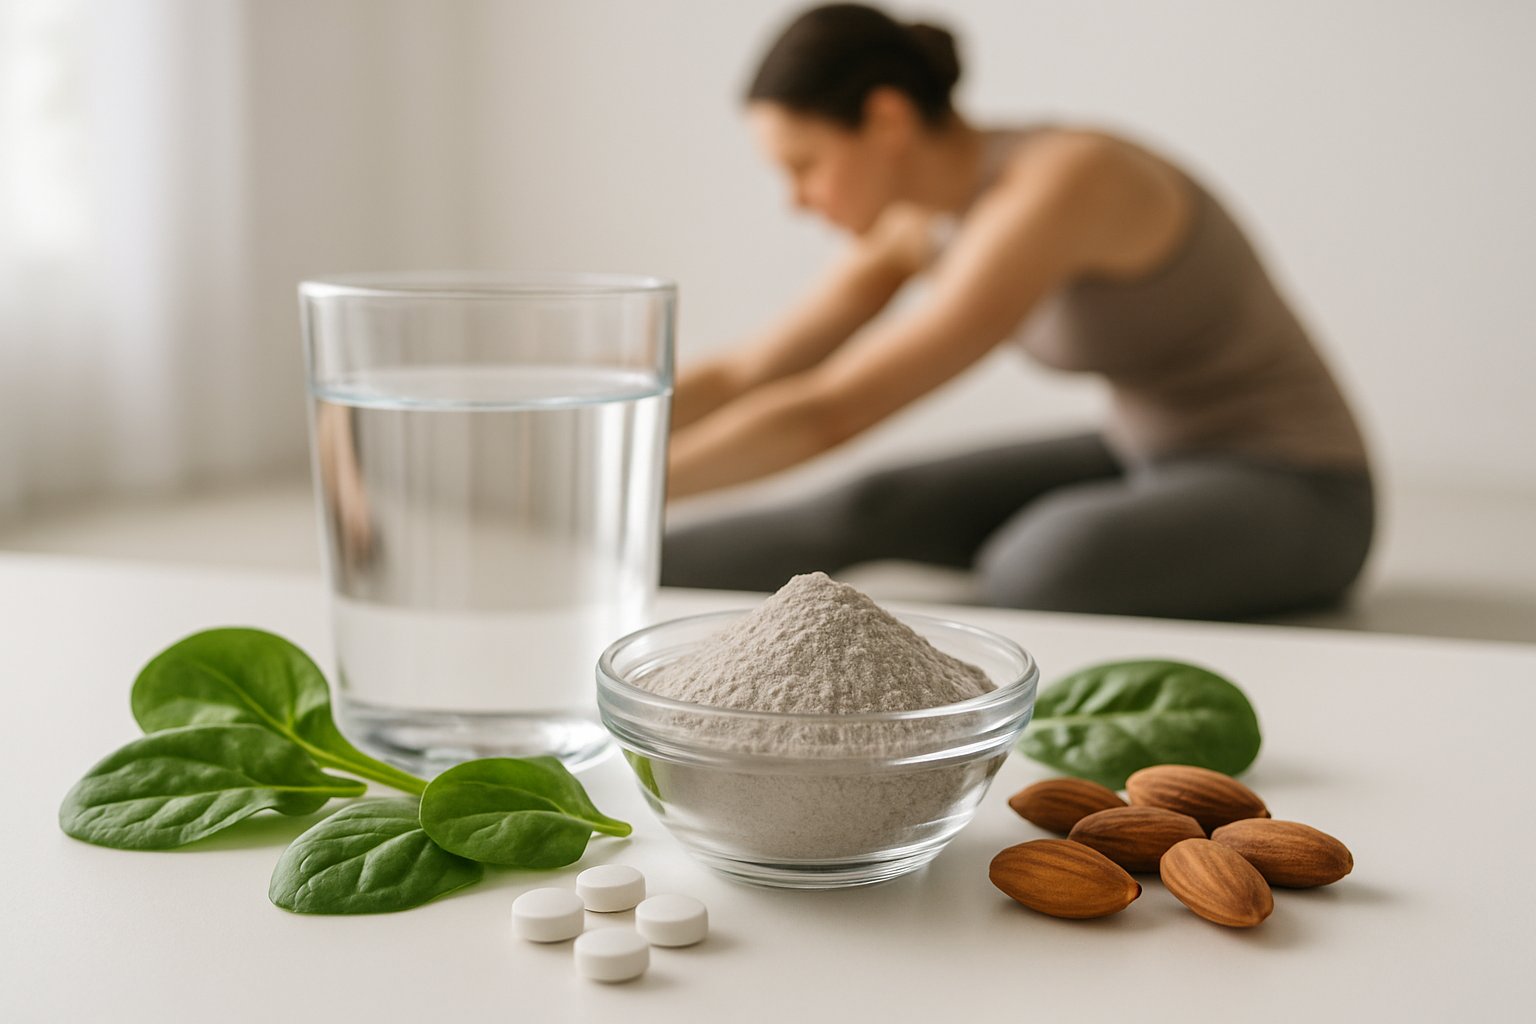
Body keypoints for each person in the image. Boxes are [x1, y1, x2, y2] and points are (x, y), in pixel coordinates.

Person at [661, 2, 1374, 620]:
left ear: (886, 118)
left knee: (1040, 564)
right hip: (1139, 450)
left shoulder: (1067, 182)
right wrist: (604, 465)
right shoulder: (916, 221)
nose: (795, 200)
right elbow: (746, 371)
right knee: (868, 505)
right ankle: (625, 570)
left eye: (804, 165)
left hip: (1302, 488)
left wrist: (628, 488)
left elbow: (831, 411)